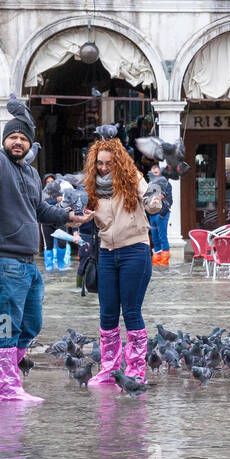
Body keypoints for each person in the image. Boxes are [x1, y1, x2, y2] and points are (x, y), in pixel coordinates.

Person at [0, 114, 89, 403]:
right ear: (5, 140)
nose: (18, 142)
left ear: (30, 143)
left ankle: (0, 378)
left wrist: (71, 217)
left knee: (31, 323)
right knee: (6, 323)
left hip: (26, 262)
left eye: (23, 138)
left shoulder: (31, 174)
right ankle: (8, 385)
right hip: (0, 260)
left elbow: (41, 211)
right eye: (13, 137)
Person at [83, 139, 163, 388]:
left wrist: (154, 202)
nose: (103, 168)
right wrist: (77, 218)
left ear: (119, 162)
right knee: (107, 314)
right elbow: (87, 219)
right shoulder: (92, 187)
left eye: (108, 163)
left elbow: (151, 198)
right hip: (107, 253)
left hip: (135, 251)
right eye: (99, 163)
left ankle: (137, 370)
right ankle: (109, 370)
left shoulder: (134, 179)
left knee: (131, 312)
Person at [147, 161, 174, 267]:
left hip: (161, 214)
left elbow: (169, 200)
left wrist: (162, 213)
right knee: (154, 238)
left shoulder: (166, 184)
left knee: (162, 237)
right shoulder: (150, 184)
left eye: (157, 172)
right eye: (153, 172)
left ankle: (164, 262)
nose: (155, 174)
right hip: (152, 214)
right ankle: (157, 261)